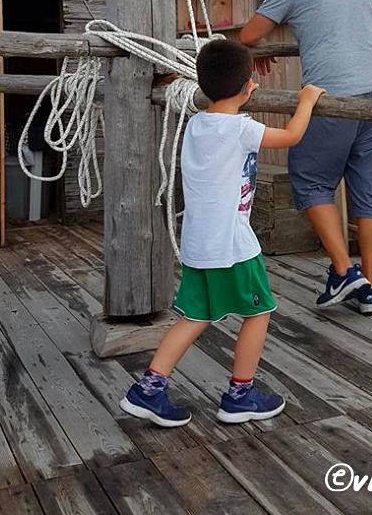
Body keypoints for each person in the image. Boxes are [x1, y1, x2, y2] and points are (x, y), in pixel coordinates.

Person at [119, 38, 325, 428]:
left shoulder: (197, 123)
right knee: (259, 311)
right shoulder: (240, 129)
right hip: (232, 246)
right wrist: (308, 100)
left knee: (194, 317)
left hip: (199, 244)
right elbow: (292, 137)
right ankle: (240, 395)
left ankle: (147, 389)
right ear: (250, 86)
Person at [240, 0, 372, 317]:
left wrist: (263, 46)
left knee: (309, 179)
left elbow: (248, 35)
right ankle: (370, 288)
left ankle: (344, 271)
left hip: (333, 95)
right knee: (370, 189)